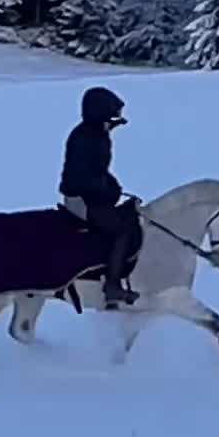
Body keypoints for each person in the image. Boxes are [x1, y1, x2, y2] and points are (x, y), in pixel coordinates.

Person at [59, 86, 140, 308]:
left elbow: (99, 172)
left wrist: (113, 186)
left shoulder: (98, 136)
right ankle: (112, 286)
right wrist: (108, 191)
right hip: (80, 201)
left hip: (93, 197)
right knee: (121, 232)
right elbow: (81, 178)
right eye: (111, 120)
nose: (113, 125)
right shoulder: (85, 138)